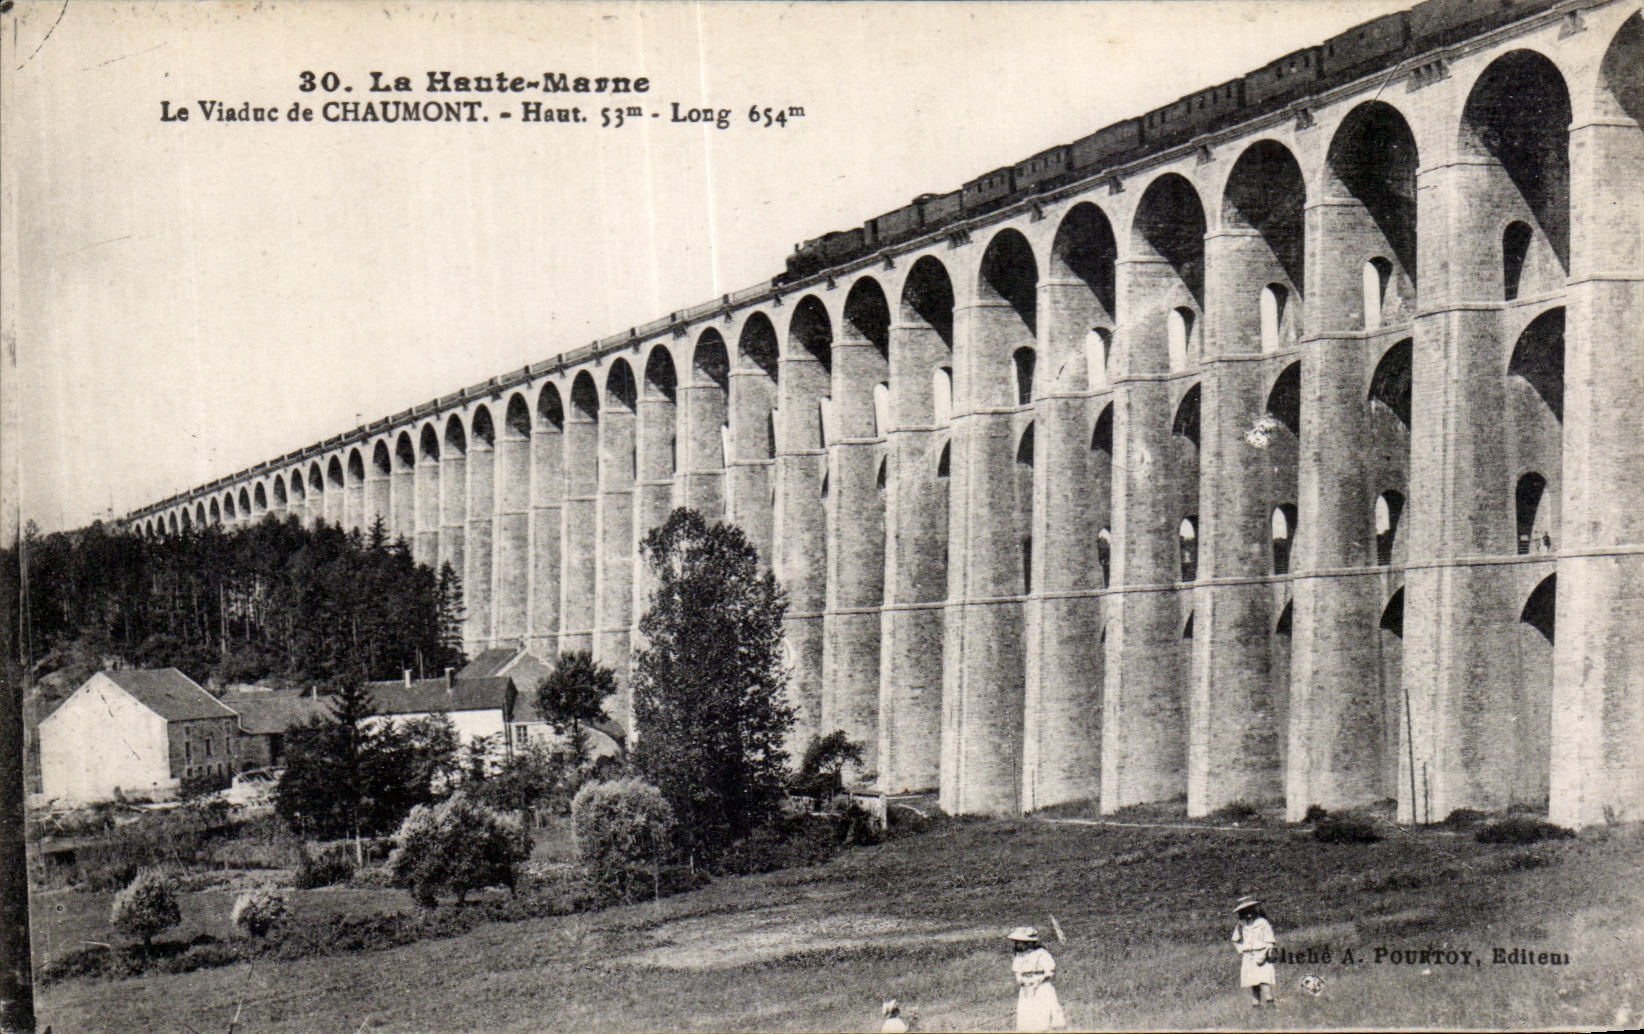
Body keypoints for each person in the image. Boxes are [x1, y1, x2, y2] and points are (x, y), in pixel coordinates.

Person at [1009, 926, 1067, 1032]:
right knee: (1026, 1014)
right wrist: (1020, 979)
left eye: (1020, 942)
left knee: (1042, 1013)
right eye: (1016, 942)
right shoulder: (1019, 956)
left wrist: (1038, 980)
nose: (1017, 945)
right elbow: (1017, 971)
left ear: (1029, 943)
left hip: (1041, 987)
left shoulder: (1041, 953)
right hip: (1026, 988)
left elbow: (1049, 972)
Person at [1231, 896, 1277, 1007]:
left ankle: (1270, 1002)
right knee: (1253, 981)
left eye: (1250, 910)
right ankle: (1256, 1004)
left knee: (1264, 980)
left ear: (1255, 909)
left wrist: (1265, 954)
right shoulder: (1241, 924)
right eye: (1245, 911)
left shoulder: (1263, 923)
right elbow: (1235, 939)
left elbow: (1270, 940)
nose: (1248, 914)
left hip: (1261, 954)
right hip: (1248, 956)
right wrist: (1241, 950)